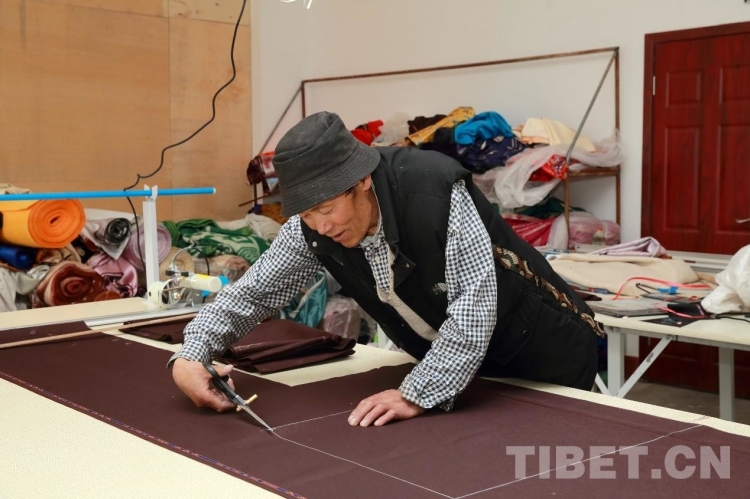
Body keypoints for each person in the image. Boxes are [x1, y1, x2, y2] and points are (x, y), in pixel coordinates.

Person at [170, 111, 604, 427]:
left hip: (543, 356)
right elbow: (253, 293)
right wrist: (192, 353)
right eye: (307, 214)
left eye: (328, 209)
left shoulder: (436, 192)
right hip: (466, 376)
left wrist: (416, 393)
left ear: (362, 181)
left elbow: (473, 307)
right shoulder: (314, 226)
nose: (321, 226)